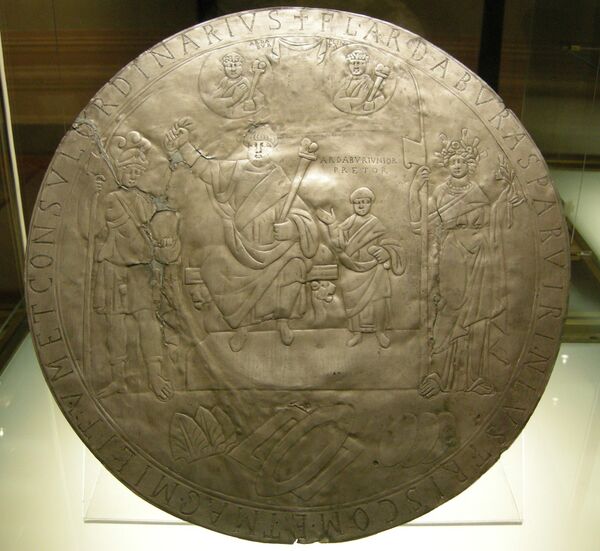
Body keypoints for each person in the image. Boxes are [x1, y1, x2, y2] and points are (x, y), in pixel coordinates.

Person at [165, 121, 319, 351]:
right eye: (254, 145)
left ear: (272, 149)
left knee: (294, 265)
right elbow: (206, 169)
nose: (258, 149)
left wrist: (292, 227)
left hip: (276, 249)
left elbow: (304, 216)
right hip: (239, 246)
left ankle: (282, 321)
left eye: (264, 145)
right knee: (215, 267)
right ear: (247, 147)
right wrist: (185, 145)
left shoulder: (279, 179)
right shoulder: (234, 171)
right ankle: (242, 326)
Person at [409, 130, 523, 397]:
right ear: (447, 165)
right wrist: (415, 190)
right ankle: (437, 375)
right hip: (452, 254)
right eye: (453, 161)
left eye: (462, 161)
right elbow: (421, 224)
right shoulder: (439, 192)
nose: (458, 165)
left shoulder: (477, 191)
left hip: (480, 255)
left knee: (478, 317)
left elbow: (497, 217)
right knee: (449, 309)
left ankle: (473, 377)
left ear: (470, 164)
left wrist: (509, 190)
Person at [93, 131, 174, 401]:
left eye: (137, 171)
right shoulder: (110, 200)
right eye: (128, 170)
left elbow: (157, 228)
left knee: (147, 321)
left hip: (140, 269)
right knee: (116, 324)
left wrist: (162, 240)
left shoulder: (145, 200)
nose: (132, 175)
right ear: (120, 170)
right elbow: (101, 232)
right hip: (114, 268)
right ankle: (118, 378)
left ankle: (155, 375)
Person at [318, 187, 405, 348]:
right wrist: (331, 225)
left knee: (378, 300)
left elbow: (391, 242)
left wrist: (386, 252)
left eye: (365, 202)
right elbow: (339, 244)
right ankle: (357, 333)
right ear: (353, 204)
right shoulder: (348, 223)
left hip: (375, 268)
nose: (361, 205)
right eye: (358, 202)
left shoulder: (376, 224)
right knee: (352, 301)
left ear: (370, 203)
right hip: (351, 269)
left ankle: (380, 332)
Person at [333, 49, 385, 114]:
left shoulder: (368, 82)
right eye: (353, 63)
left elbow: (380, 98)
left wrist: (372, 104)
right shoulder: (346, 81)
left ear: (365, 65)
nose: (356, 66)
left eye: (358, 63)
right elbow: (337, 98)